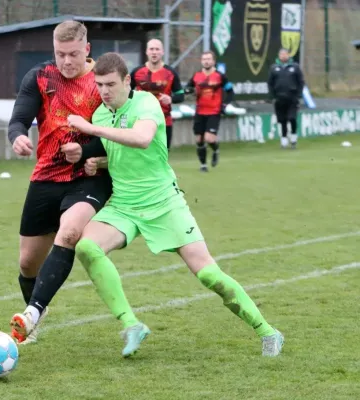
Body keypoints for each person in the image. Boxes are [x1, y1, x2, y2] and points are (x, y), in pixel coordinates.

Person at [60, 52, 284, 358]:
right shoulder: (101, 114)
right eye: (99, 85)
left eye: (111, 84)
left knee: (208, 274)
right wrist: (96, 162)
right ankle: (130, 324)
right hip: (125, 205)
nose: (105, 91)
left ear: (127, 81)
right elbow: (121, 156)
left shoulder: (146, 103)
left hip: (164, 202)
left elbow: (141, 139)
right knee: (86, 247)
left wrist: (90, 129)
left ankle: (267, 331)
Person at [7, 21, 113, 344]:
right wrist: (18, 137)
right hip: (47, 175)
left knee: (68, 232)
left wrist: (87, 151)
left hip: (90, 177)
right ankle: (35, 310)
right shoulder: (39, 77)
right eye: (60, 54)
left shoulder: (103, 82)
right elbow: (18, 119)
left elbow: (119, 135)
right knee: (27, 263)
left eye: (73, 54)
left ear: (87, 50)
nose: (66, 61)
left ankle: (31, 314)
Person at [130, 39, 185, 150]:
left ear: (162, 52)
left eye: (157, 49)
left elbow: (181, 95)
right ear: (147, 51)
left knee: (163, 155)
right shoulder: (136, 72)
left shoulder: (171, 73)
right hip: (142, 119)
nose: (154, 52)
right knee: (143, 153)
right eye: (151, 49)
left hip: (164, 121)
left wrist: (171, 99)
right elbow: (126, 94)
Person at [185, 51, 234, 172]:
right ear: (201, 61)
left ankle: (216, 149)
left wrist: (225, 105)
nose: (206, 61)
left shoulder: (220, 76)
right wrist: (188, 91)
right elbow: (187, 88)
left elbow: (230, 91)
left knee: (209, 138)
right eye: (204, 59)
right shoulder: (196, 76)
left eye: (209, 59)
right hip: (200, 111)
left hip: (214, 111)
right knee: (199, 140)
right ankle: (203, 165)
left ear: (213, 61)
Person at [267, 48, 305, 149]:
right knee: (282, 120)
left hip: (292, 98)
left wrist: (299, 95)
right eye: (281, 54)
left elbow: (301, 82)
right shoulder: (274, 68)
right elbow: (270, 83)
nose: (283, 56)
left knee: (292, 118)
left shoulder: (295, 67)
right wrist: (272, 96)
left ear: (288, 55)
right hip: (279, 98)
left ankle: (293, 138)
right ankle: (283, 139)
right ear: (279, 56)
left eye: (285, 54)